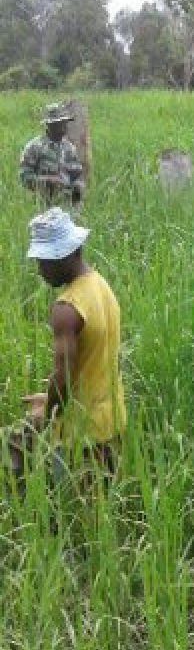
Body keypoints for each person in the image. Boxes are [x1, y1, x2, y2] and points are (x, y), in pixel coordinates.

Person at [5, 208, 126, 491]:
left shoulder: (67, 308)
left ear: (65, 255)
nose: (40, 271)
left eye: (44, 261)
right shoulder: (100, 286)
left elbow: (63, 380)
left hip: (80, 434)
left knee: (75, 514)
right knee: (102, 512)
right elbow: (92, 362)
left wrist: (45, 414)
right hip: (112, 420)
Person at [20, 103, 86, 206]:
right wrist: (48, 181)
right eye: (60, 123)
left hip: (67, 204)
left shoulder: (69, 148)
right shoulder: (34, 147)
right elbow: (24, 177)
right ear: (50, 125)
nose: (65, 126)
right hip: (41, 204)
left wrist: (78, 188)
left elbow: (77, 174)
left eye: (65, 122)